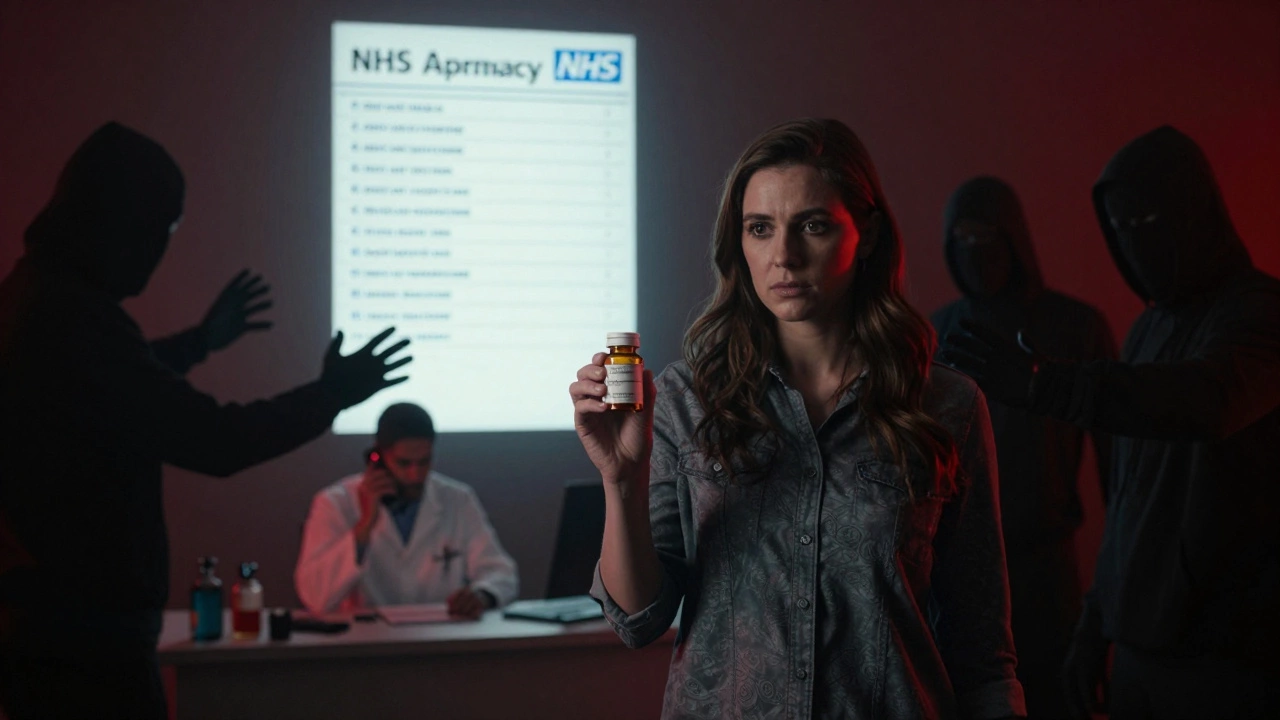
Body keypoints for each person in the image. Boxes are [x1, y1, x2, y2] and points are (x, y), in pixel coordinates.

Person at [571, 118, 1025, 720]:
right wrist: (621, 479)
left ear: (865, 235)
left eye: (812, 225)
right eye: (760, 229)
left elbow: (982, 651)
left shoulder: (945, 404)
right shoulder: (687, 398)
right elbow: (638, 620)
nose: (783, 256)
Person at [0, 122, 411, 720]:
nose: (160, 250)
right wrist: (332, 394)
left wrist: (199, 341)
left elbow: (115, 391)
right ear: (122, 224)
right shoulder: (75, 320)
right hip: (84, 651)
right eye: (163, 229)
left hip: (52, 636)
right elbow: (215, 440)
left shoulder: (36, 301)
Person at [941, 126, 1280, 720]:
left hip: (1226, 658)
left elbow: (1210, 400)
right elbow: (1129, 498)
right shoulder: (1148, 329)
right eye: (1120, 229)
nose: (1134, 243)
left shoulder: (1261, 313)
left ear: (1195, 212)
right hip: (1138, 650)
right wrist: (1098, 620)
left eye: (1147, 222)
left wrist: (1048, 385)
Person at [931, 176, 1115, 719]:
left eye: (987, 236)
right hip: (957, 575)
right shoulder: (939, 333)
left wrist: (1112, 595)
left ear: (1012, 238)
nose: (975, 252)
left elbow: (1120, 468)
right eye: (963, 239)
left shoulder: (1074, 328)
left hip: (1046, 570)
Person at [295, 402, 518, 618]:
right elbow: (314, 596)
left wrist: (482, 594)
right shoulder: (335, 503)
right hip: (365, 637)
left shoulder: (457, 499)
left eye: (424, 462)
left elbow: (500, 571)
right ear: (379, 458)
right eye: (404, 463)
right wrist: (363, 529)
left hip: (439, 634)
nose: (415, 475)